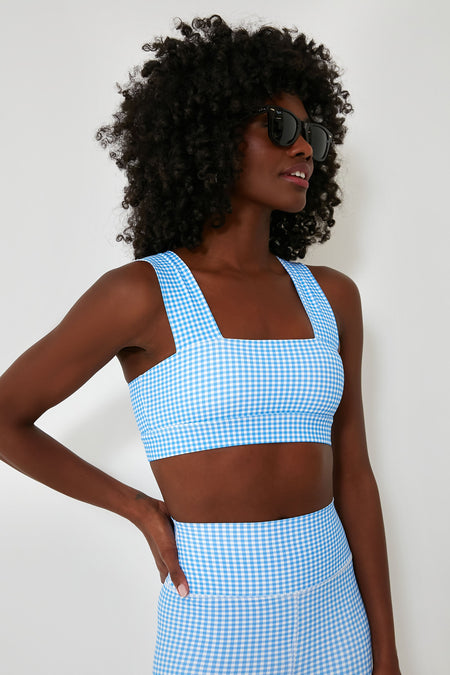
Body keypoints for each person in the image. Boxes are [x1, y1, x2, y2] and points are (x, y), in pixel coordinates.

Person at [0, 14, 401, 675]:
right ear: (210, 133)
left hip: (335, 613)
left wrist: (385, 650)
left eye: (314, 136)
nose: (304, 149)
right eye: (280, 128)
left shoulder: (332, 296)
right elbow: (6, 416)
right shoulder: (142, 294)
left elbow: (354, 474)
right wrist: (137, 509)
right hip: (217, 613)